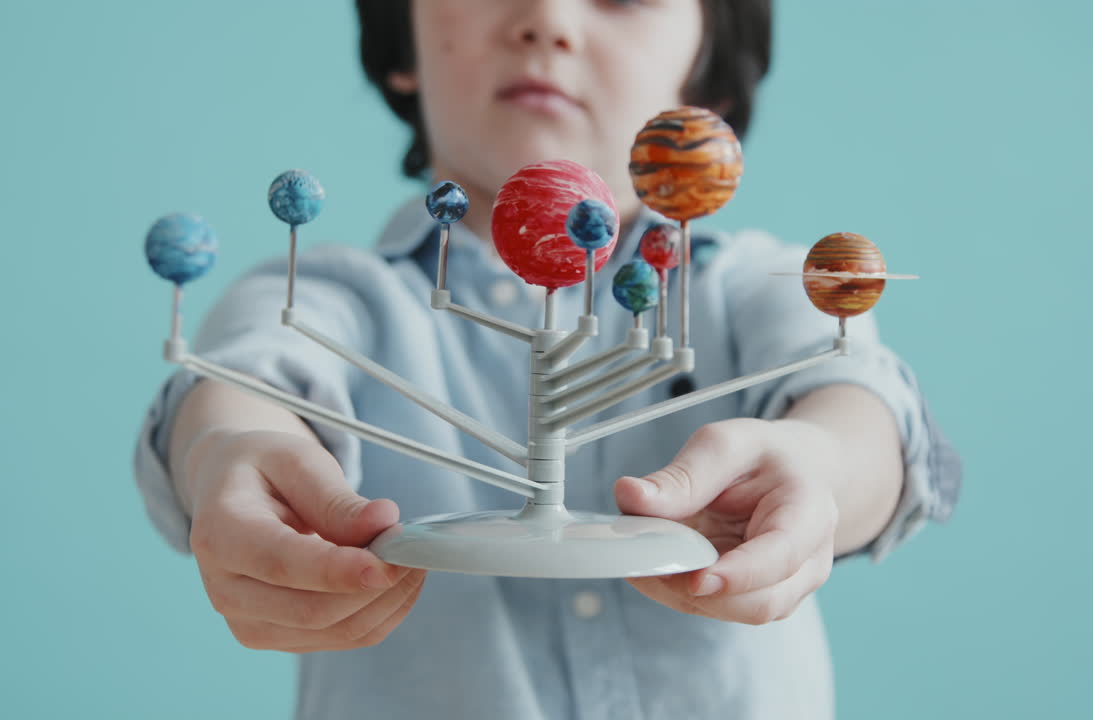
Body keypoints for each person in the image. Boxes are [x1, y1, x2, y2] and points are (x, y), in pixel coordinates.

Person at [133, 0, 962, 717]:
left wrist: (818, 466)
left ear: (709, 83)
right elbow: (240, 391)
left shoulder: (747, 286)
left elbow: (855, 402)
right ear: (400, 49)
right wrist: (227, 455)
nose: (548, 21)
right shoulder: (324, 297)